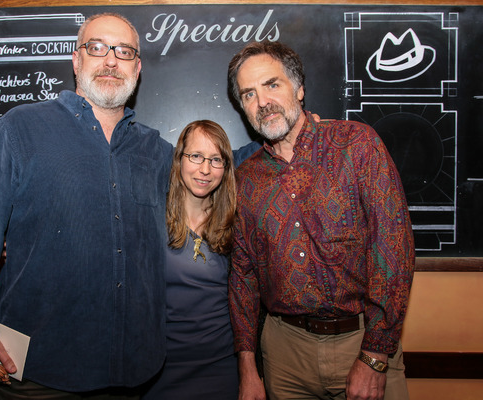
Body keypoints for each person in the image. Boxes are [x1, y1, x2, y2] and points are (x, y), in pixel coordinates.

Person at [0, 13, 173, 398]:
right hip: (35, 373)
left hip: (132, 373)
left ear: (137, 67)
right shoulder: (22, 129)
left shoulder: (157, 152)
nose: (111, 60)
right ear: (76, 59)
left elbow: (222, 173)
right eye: (97, 48)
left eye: (124, 51)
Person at [227, 41, 415, 400]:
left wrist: (375, 355)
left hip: (362, 341)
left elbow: (394, 249)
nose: (262, 101)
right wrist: (248, 368)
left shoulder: (357, 145)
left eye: (272, 84)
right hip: (284, 354)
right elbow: (243, 278)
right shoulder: (246, 180)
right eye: (249, 94)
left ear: (298, 88)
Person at [141, 120, 239, 400]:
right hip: (158, 368)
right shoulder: (151, 218)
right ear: (179, 158)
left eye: (216, 160)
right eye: (196, 156)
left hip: (220, 367)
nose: (205, 169)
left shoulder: (237, 222)